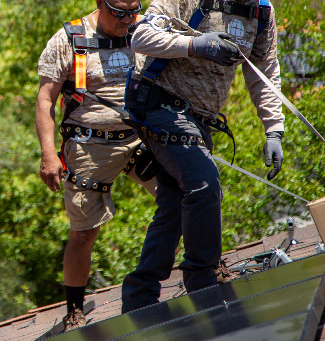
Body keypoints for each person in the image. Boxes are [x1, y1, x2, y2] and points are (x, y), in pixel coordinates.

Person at [119, 0, 284, 313]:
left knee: (173, 206)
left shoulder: (262, 12)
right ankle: (202, 280)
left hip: (200, 119)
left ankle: (140, 296)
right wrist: (194, 45)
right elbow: (140, 36)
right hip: (160, 105)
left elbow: (264, 72)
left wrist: (274, 129)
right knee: (204, 185)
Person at [35, 0, 157, 331]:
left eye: (134, 9)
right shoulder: (70, 38)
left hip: (141, 137)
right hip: (90, 144)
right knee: (84, 232)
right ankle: (74, 309)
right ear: (100, 3)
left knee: (186, 194)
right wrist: (48, 154)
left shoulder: (147, 27)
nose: (128, 19)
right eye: (119, 12)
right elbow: (46, 99)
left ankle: (205, 266)